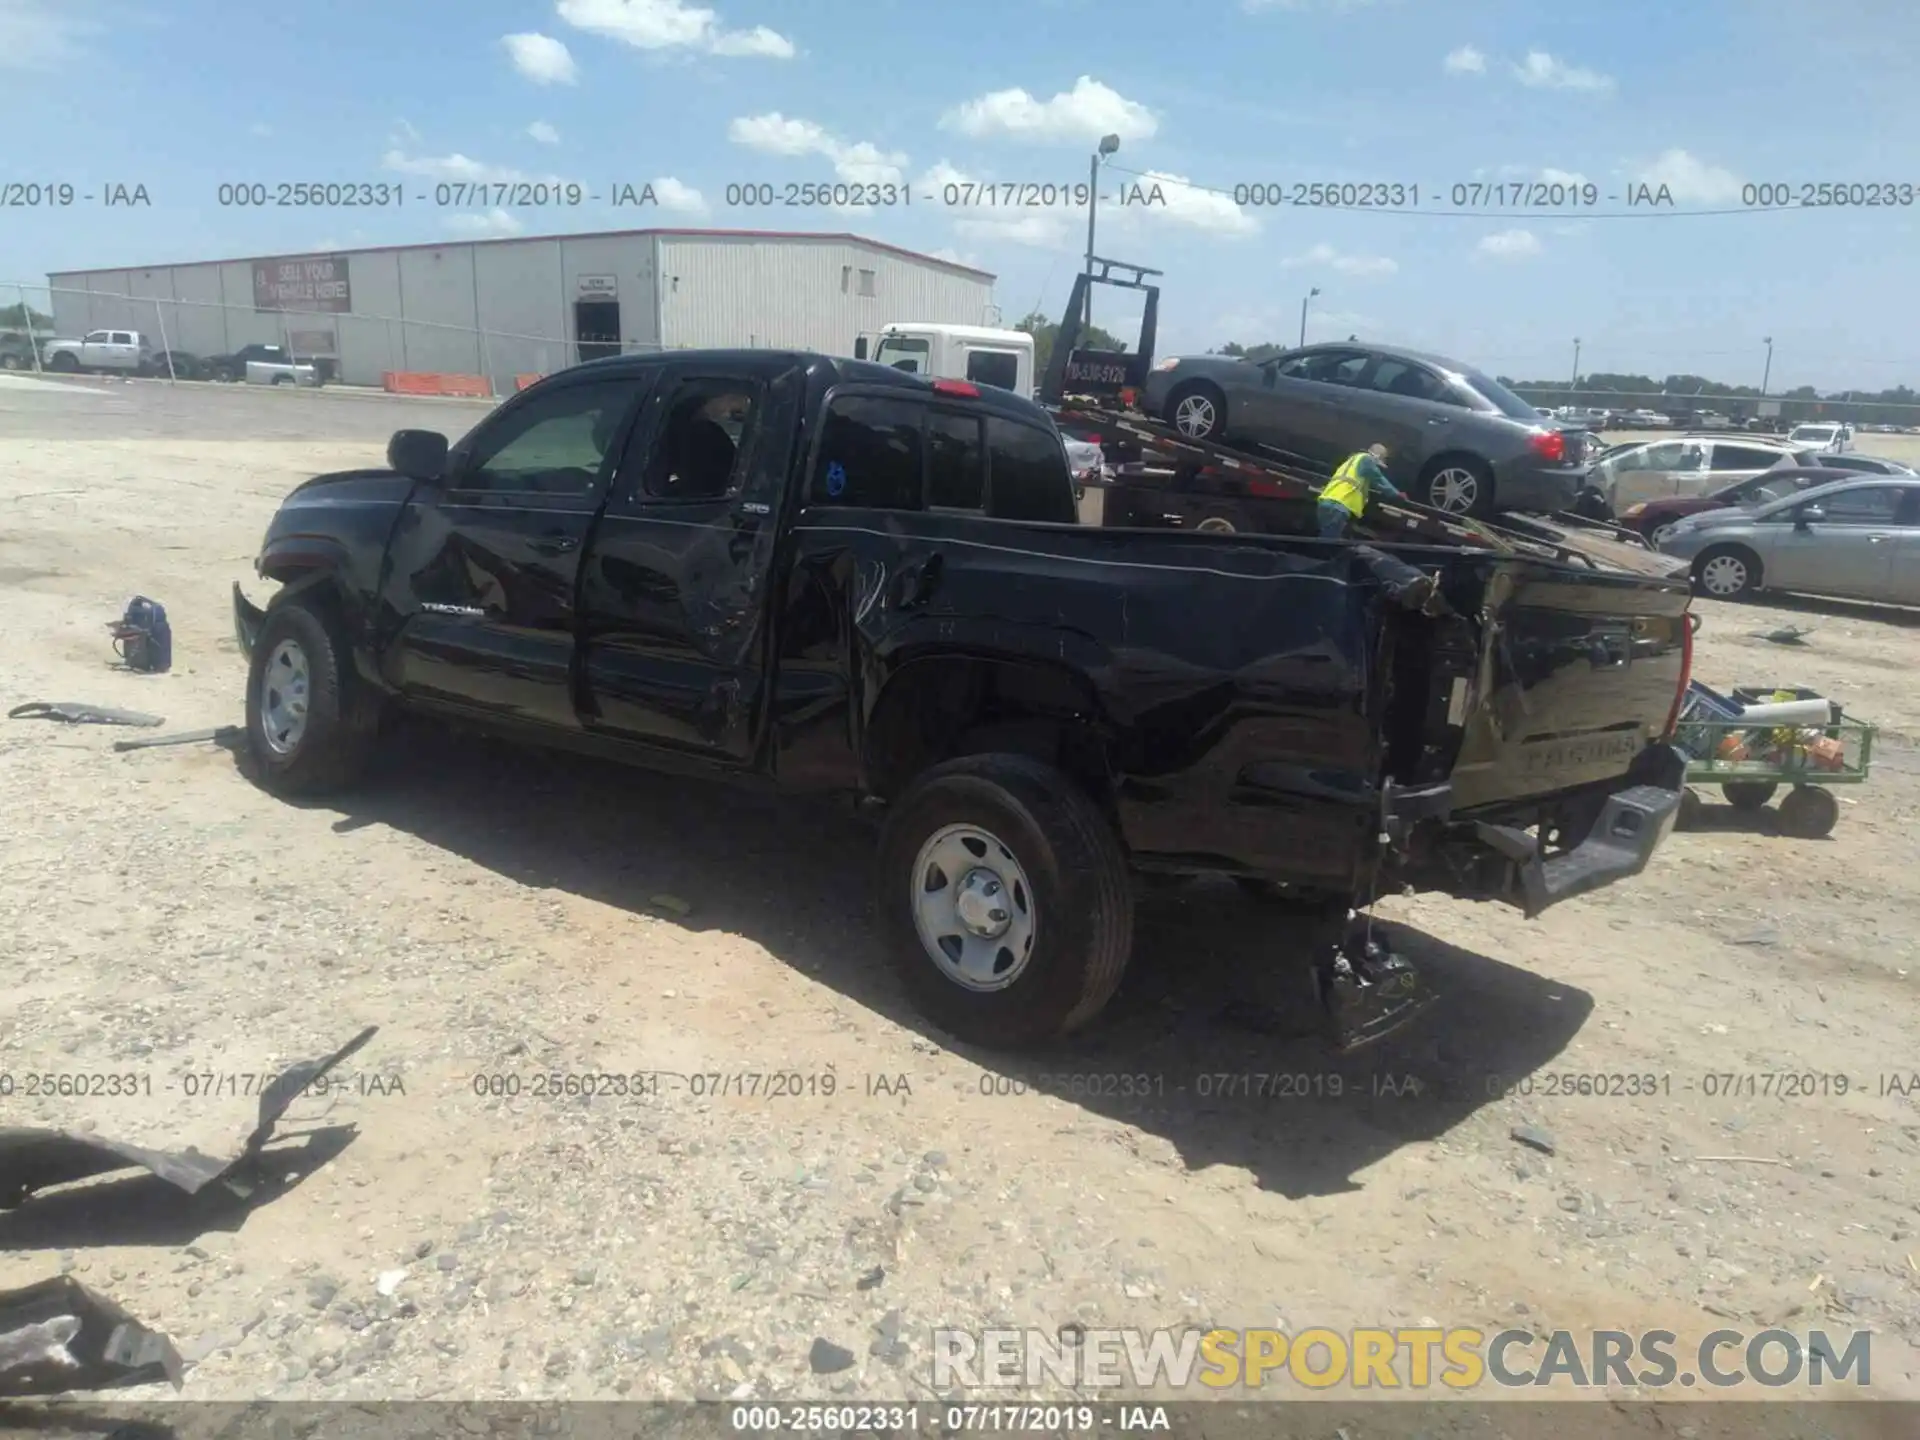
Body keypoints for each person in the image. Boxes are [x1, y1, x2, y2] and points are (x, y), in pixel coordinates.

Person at [1317, 443, 1404, 539]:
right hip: (1339, 505)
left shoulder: (1353, 460)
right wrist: (1396, 494)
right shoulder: (1366, 460)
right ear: (1376, 456)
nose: (1376, 466)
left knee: (1326, 535)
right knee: (1329, 541)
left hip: (1326, 501)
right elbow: (1378, 479)